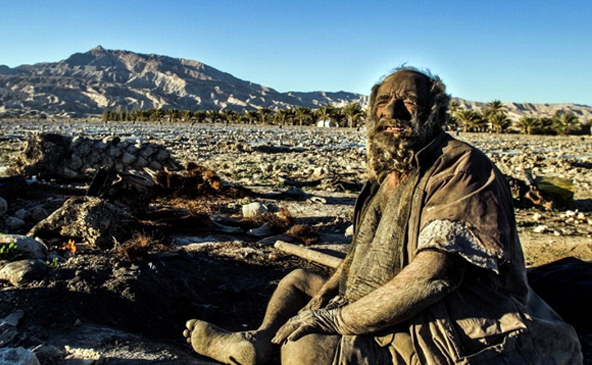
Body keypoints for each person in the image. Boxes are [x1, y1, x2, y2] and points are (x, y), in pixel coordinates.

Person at [183, 67, 583, 364]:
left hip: (450, 315)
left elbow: (433, 277)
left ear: (434, 112)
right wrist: (325, 296)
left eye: (409, 102)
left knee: (307, 347)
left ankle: (276, 349)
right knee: (300, 280)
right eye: (382, 103)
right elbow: (357, 256)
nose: (393, 110)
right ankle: (259, 340)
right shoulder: (386, 177)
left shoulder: (460, 167)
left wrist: (336, 320)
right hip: (376, 298)